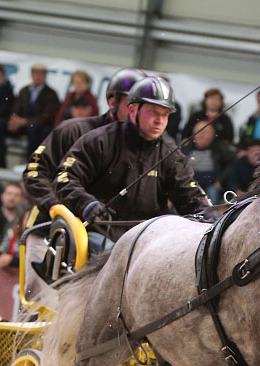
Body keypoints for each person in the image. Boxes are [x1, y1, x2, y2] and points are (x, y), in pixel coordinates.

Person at [53, 76, 211, 253]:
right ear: (132, 110)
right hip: (96, 235)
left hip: (146, 243)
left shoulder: (170, 153)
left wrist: (212, 218)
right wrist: (87, 204)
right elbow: (63, 178)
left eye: (165, 114)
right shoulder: (99, 141)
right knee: (111, 257)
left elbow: (190, 197)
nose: (160, 120)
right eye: (153, 112)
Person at [24, 68, 146, 215]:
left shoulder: (151, 147)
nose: (137, 112)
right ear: (113, 103)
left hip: (109, 232)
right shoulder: (72, 130)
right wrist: (54, 206)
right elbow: (35, 170)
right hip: (53, 226)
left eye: (144, 107)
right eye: (131, 104)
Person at [9, 63, 60, 158]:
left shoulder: (51, 94)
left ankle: (30, 160)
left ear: (45, 76)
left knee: (35, 129)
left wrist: (26, 121)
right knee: (0, 124)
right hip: (22, 124)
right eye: (36, 74)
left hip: (38, 126)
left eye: (41, 75)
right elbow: (16, 108)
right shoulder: (24, 90)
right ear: (31, 75)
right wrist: (14, 119)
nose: (38, 77)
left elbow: (47, 117)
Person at [183, 119, 235, 204]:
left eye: (204, 132)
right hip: (190, 185)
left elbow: (231, 165)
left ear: (212, 135)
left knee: (213, 193)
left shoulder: (220, 148)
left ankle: (212, 217)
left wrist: (220, 181)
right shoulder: (186, 149)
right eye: (198, 132)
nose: (200, 135)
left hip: (211, 185)